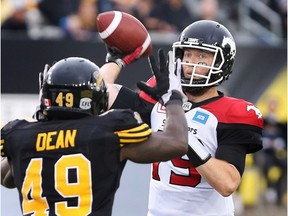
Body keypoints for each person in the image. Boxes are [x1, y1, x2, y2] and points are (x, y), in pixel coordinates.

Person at [99, 20, 264, 215]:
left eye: (202, 56)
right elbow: (96, 93)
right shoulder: (160, 97)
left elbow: (227, 183)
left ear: (222, 62)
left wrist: (181, 133)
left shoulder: (232, 112)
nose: (191, 63)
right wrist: (116, 60)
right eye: (188, 54)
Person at [1, 56, 188, 215]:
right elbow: (177, 143)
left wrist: (42, 116)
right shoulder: (107, 131)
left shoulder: (21, 137)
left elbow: (8, 178)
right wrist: (173, 99)